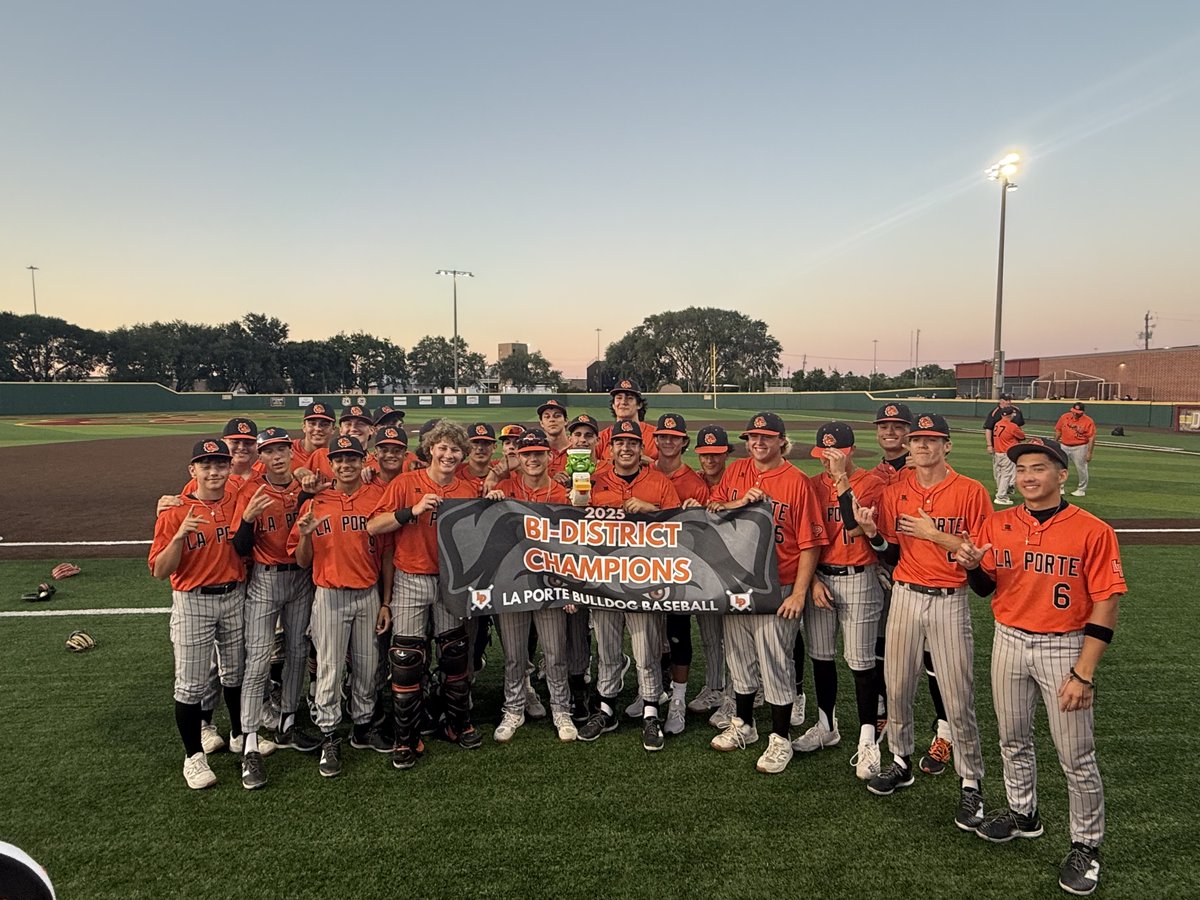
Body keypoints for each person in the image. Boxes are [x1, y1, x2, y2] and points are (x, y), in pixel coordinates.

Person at [956, 437, 1124, 896]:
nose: (1028, 476)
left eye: (1039, 468)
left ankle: (1086, 846)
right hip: (1009, 640)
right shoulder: (999, 522)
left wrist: (1084, 672)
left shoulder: (1092, 530)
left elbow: (1107, 603)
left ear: (1061, 475)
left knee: (1076, 755)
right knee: (1012, 737)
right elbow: (986, 588)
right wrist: (971, 566)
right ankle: (1023, 813)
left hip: (1064, 647)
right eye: (1022, 469)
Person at [853, 413, 993, 830]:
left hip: (949, 598)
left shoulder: (970, 491)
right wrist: (872, 534)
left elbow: (981, 553)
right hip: (905, 595)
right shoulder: (897, 491)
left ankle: (971, 783)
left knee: (957, 694)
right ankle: (900, 761)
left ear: (947, 445)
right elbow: (892, 553)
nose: (922, 445)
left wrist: (935, 535)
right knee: (897, 687)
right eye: (916, 439)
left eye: (931, 439)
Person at [706, 412, 827, 775]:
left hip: (778, 584)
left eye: (766, 437)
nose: (757, 442)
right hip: (737, 582)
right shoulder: (735, 471)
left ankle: (780, 739)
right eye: (752, 437)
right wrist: (740, 502)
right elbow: (713, 511)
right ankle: (744, 724)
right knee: (739, 657)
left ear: (781, 442)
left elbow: (810, 544)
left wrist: (799, 594)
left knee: (775, 662)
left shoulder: (797, 482)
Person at [367, 420, 484, 769]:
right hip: (411, 576)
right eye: (443, 448)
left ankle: (457, 723)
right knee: (406, 659)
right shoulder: (406, 483)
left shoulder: (467, 488)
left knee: (454, 654)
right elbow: (373, 526)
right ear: (430, 449)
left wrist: (491, 500)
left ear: (463, 455)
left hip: (450, 579)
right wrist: (411, 511)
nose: (449, 455)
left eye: (455, 450)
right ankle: (406, 737)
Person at [149, 439, 254, 789]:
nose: (213, 472)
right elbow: (160, 571)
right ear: (192, 470)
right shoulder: (174, 511)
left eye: (220, 464)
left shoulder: (236, 498)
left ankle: (238, 734)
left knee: (235, 672)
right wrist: (179, 536)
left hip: (233, 594)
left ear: (229, 468)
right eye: (206, 465)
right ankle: (193, 756)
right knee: (190, 683)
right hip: (193, 600)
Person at [288, 436, 393, 778]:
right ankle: (329, 734)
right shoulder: (315, 502)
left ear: (363, 462)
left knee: (368, 666)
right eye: (339, 459)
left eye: (352, 458)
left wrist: (386, 601)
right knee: (330, 669)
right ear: (330, 465)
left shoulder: (377, 496)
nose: (346, 464)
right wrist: (305, 535)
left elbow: (387, 554)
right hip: (330, 594)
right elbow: (302, 561)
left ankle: (363, 727)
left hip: (368, 594)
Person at [576, 419, 681, 751]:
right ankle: (606, 710)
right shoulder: (593, 480)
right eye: (620, 443)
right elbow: (573, 526)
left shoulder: (659, 482)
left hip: (643, 580)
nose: (626, 448)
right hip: (603, 579)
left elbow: (681, 529)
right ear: (609, 449)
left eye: (632, 443)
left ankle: (651, 711)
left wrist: (652, 511)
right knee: (607, 649)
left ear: (641, 448)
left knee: (646, 650)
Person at [794, 422, 887, 781]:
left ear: (850, 451)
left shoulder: (872, 483)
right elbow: (805, 539)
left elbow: (855, 528)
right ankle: (826, 725)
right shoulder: (811, 485)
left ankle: (868, 740)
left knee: (861, 663)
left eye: (835, 454)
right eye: (823, 454)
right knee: (820, 656)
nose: (827, 461)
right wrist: (812, 580)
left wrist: (841, 480)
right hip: (821, 577)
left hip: (859, 575)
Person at [868, 401, 956, 777]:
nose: (890, 432)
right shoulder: (875, 475)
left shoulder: (928, 473)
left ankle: (945, 731)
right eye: (884, 426)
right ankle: (887, 716)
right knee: (886, 653)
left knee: (936, 660)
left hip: (932, 581)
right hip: (887, 573)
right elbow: (880, 533)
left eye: (898, 426)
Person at [234, 427, 322, 789]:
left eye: (282, 449)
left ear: (290, 452)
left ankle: (287, 721)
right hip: (266, 579)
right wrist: (246, 520)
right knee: (258, 658)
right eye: (270, 451)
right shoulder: (251, 491)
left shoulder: (304, 489)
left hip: (300, 578)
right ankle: (250, 742)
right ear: (262, 457)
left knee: (298, 651)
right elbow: (240, 547)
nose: (278, 456)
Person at [485, 429, 577, 743]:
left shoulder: (562, 494)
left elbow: (573, 546)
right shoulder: (506, 488)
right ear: (519, 458)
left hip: (550, 585)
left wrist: (569, 587)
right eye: (527, 454)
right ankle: (513, 709)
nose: (533, 459)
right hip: (512, 584)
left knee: (555, 653)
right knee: (514, 654)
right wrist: (491, 499)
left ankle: (561, 710)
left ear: (549, 456)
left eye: (538, 453)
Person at [650, 413, 709, 735]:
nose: (668, 441)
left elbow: (707, 533)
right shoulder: (644, 473)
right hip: (644, 569)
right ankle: (651, 691)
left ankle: (678, 700)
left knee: (678, 632)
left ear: (684, 441)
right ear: (655, 440)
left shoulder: (695, 483)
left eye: (674, 437)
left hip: (679, 571)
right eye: (663, 436)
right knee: (648, 635)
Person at [688, 425, 735, 727]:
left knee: (733, 638)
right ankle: (714, 687)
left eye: (716, 454)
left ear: (726, 453)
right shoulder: (694, 482)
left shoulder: (737, 482)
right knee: (709, 635)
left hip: (732, 573)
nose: (710, 460)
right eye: (705, 454)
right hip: (702, 574)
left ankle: (734, 691)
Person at [564, 413, 602, 722]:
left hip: (602, 564)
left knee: (603, 629)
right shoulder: (556, 473)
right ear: (569, 439)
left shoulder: (608, 471)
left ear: (597, 441)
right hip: (569, 563)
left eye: (588, 435)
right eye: (577, 434)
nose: (582, 439)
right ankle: (575, 690)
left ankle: (602, 688)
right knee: (572, 628)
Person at [594, 378, 658, 462]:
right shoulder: (602, 437)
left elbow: (669, 465)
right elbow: (591, 464)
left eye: (630, 398)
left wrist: (651, 463)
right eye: (619, 398)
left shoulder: (655, 435)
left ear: (639, 405)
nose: (623, 402)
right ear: (613, 405)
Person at [1054, 403, 1096, 497]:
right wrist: (1055, 442)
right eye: (1074, 412)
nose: (1075, 414)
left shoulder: (1088, 421)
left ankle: (1081, 490)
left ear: (1082, 412)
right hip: (1064, 445)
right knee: (1060, 467)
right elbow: (1058, 430)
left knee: (1081, 469)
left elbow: (1091, 437)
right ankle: (1060, 488)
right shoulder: (1064, 417)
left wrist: (1089, 452)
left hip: (1080, 447)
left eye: (1078, 412)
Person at [991, 408, 1026, 505]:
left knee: (999, 474)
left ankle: (1001, 493)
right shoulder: (1012, 426)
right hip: (1007, 453)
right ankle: (1001, 497)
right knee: (1006, 475)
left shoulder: (997, 424)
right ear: (1011, 415)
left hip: (997, 452)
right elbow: (1022, 436)